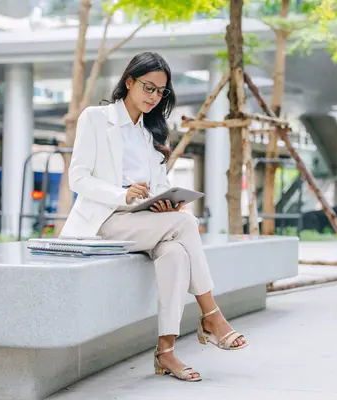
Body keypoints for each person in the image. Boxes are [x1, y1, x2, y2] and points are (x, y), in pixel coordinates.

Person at [60, 52, 248, 382]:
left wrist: (164, 203)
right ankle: (212, 315)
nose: (154, 97)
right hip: (103, 223)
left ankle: (166, 353)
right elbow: (78, 178)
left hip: (141, 222)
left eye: (161, 92)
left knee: (175, 253)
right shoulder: (95, 118)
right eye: (148, 87)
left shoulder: (149, 134)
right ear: (129, 82)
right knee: (187, 223)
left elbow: (159, 186)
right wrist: (123, 195)